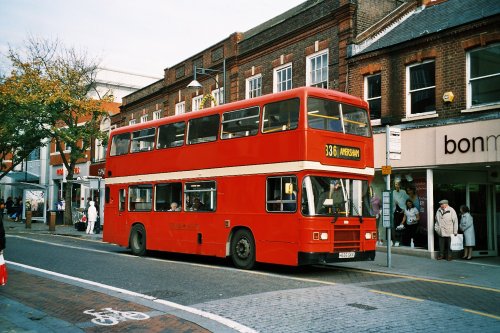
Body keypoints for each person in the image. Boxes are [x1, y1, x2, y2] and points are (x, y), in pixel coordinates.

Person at [392, 178, 408, 246]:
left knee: (401, 226)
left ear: (400, 185)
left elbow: (407, 200)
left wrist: (404, 209)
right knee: (395, 226)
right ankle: (396, 240)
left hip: (402, 211)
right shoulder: (393, 192)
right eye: (396, 184)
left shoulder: (403, 192)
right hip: (395, 211)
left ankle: (401, 241)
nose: (397, 186)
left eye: (398, 184)